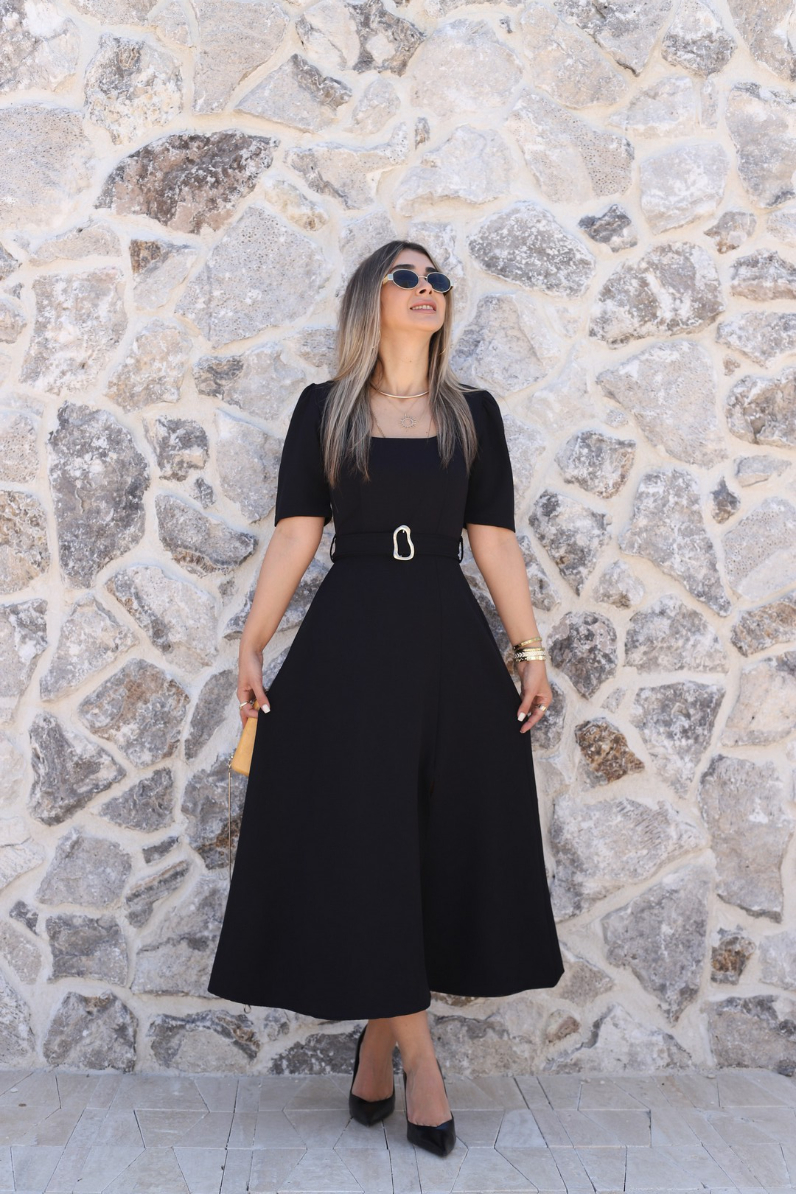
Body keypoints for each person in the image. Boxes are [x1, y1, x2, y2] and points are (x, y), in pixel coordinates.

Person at [207, 239, 564, 1157]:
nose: (425, 287)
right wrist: (252, 642)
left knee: (434, 845)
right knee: (366, 845)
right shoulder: (324, 409)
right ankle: (422, 1068)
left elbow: (494, 540)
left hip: (447, 639)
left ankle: (376, 1046)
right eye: (405, 276)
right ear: (371, 298)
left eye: (436, 277)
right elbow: (297, 533)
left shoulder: (473, 414)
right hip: (352, 640)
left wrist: (529, 652)